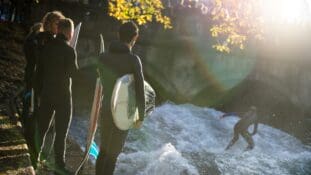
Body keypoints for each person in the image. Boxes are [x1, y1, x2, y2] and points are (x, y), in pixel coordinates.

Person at [96, 21, 146, 175]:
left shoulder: (103, 57)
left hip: (105, 108)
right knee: (113, 155)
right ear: (135, 37)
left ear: (118, 34)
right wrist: (141, 116)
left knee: (103, 150)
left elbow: (99, 79)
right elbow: (140, 89)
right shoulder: (133, 60)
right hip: (123, 111)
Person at [36, 18, 78, 175]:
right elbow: (74, 74)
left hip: (47, 93)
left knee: (42, 129)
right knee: (61, 133)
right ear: (67, 31)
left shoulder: (46, 47)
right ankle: (59, 166)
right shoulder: (69, 51)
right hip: (63, 97)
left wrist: (39, 93)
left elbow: (39, 72)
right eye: (72, 32)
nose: (72, 34)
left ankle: (35, 158)